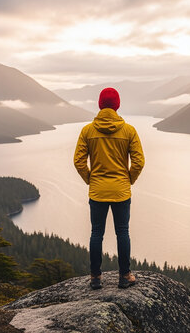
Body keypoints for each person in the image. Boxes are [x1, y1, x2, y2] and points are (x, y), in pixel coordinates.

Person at [74, 87, 145, 289]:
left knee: (97, 233)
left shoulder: (87, 131)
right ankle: (125, 276)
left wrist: (90, 179)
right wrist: (128, 179)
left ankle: (95, 278)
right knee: (122, 232)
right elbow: (138, 162)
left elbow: (79, 161)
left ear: (99, 105)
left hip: (97, 191)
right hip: (121, 191)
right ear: (117, 105)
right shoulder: (129, 131)